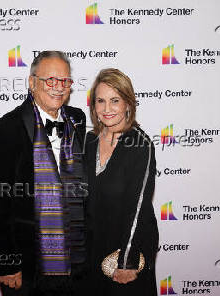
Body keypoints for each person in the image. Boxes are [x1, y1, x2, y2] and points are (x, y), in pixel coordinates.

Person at [0, 51, 87, 296]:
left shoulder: (78, 120)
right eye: (50, 80)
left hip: (76, 258)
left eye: (65, 81)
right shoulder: (6, 129)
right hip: (28, 263)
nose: (58, 88)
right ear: (32, 83)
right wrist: (7, 264)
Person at [85, 68, 159, 295]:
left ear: (128, 104)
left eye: (114, 100)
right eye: (101, 101)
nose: (107, 109)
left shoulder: (140, 144)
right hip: (93, 245)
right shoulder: (88, 141)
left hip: (129, 245)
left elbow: (138, 207)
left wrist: (128, 261)